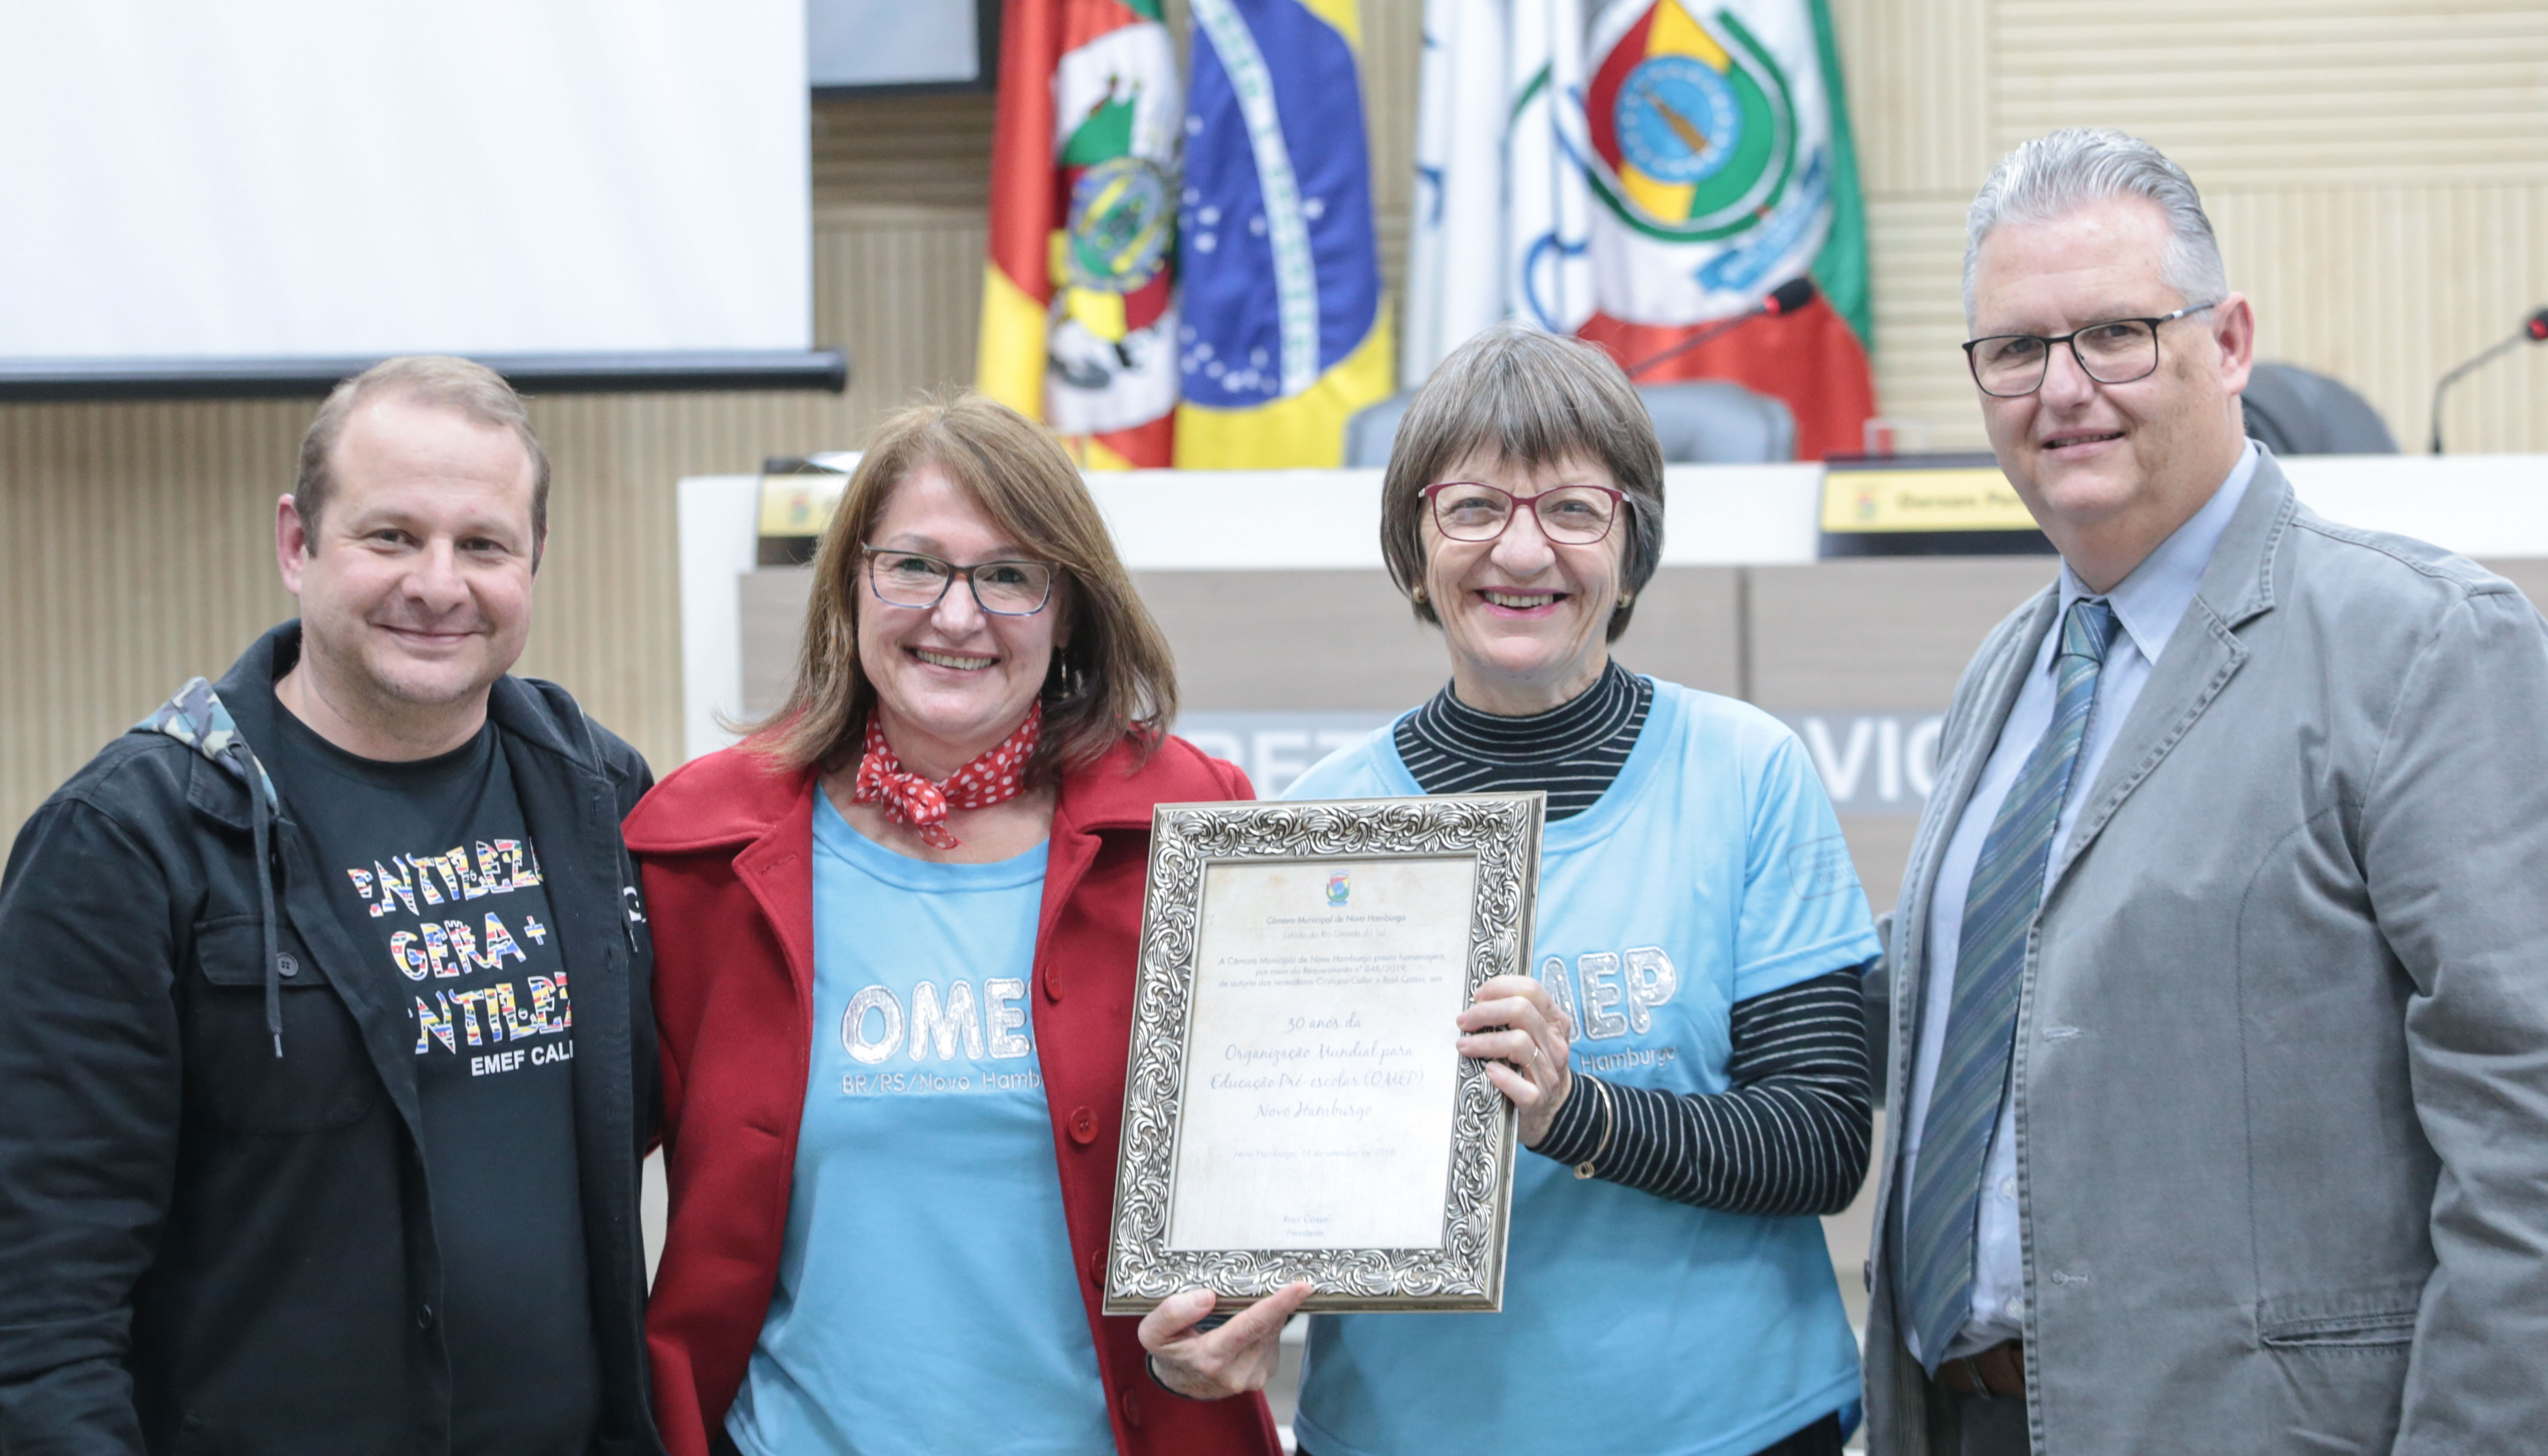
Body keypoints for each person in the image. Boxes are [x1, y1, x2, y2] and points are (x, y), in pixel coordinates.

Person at [1862, 128, 2548, 1456]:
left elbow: (2529, 1131)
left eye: (2116, 333)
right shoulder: (2007, 672)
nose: (2064, 388)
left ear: (2228, 342)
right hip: (1965, 1421)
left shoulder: (2425, 644)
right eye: (2017, 348)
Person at [1194, 324, 1881, 1456]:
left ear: (1631, 545)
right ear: (1413, 545)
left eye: (1572, 508)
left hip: (1728, 1425)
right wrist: (1205, 1310)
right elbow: (1269, 1185)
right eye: (1473, 507)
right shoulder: (1321, 823)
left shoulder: (1746, 770)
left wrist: (1577, 1114)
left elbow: (1821, 1140)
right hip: (1403, 1432)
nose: (1522, 550)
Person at [0, 356, 662, 1453]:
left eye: (484, 544)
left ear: (535, 559)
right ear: (297, 542)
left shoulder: (599, 791)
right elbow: (40, 1303)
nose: (439, 585)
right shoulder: (127, 840)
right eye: (391, 536)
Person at [630, 395, 1291, 1456]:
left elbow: (1285, 1146)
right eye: (914, 565)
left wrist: (1248, 1305)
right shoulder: (698, 854)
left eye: (1010, 575)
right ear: (852, 585)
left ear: (1068, 610)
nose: (955, 615)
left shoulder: (1190, 830)